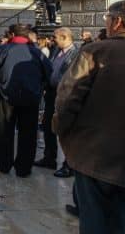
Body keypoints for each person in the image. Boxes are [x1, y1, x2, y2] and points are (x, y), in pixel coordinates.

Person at [53, 0, 125, 234]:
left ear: (117, 22)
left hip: (97, 155)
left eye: (107, 18)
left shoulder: (95, 51)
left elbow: (68, 98)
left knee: (95, 221)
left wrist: (61, 129)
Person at [0, 23, 52, 178]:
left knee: (5, 131)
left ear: (12, 34)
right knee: (28, 134)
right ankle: (24, 168)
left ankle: (4, 164)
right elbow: (49, 72)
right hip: (31, 97)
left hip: (7, 96)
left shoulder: (2, 50)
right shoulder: (36, 52)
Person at [34, 28, 78, 176]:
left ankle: (69, 164)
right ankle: (49, 158)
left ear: (65, 37)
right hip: (52, 94)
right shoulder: (56, 51)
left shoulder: (76, 53)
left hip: (65, 95)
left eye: (56, 37)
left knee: (65, 129)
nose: (53, 39)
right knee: (48, 125)